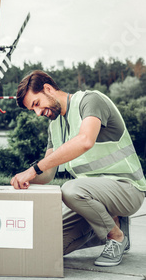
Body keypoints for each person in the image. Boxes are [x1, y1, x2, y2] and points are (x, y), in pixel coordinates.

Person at [10, 70, 146, 267]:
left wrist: (33, 170)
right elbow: (47, 173)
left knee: (71, 189)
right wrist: (22, 178)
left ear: (48, 89)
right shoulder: (54, 125)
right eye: (33, 110)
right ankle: (108, 224)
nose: (38, 113)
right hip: (92, 197)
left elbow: (85, 141)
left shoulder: (90, 101)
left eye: (37, 104)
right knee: (44, 246)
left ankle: (115, 237)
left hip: (127, 189)